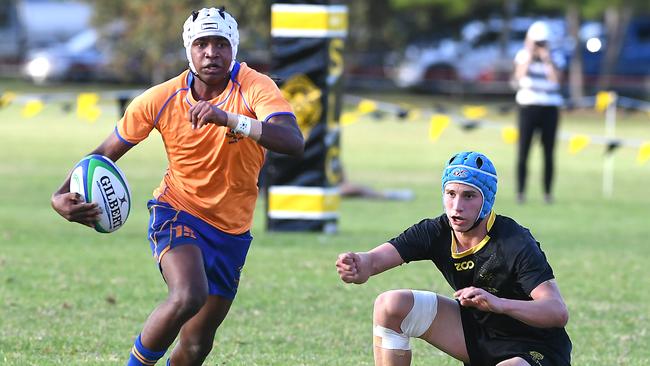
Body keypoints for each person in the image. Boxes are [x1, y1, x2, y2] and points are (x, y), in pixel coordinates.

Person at [51, 7, 303, 366]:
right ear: (189, 49)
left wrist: (229, 119)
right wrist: (58, 197)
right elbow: (102, 155)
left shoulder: (254, 86)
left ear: (234, 48)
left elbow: (292, 141)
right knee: (188, 294)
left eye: (220, 44)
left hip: (232, 230)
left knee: (198, 344)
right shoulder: (160, 98)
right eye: (202, 44)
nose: (211, 52)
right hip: (177, 210)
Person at [336, 151, 571, 366]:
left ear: (486, 200)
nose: (457, 207)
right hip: (475, 334)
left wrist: (499, 304)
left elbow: (557, 312)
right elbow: (374, 261)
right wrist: (359, 264)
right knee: (390, 305)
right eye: (451, 194)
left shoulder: (515, 241)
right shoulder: (435, 231)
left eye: (469, 196)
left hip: (534, 348)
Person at [512, 21, 566, 204]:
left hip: (549, 107)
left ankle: (547, 193)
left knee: (549, 152)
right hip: (528, 107)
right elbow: (518, 76)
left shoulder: (555, 57)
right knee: (523, 151)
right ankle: (520, 192)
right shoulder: (522, 55)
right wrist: (529, 53)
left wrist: (546, 58)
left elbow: (556, 80)